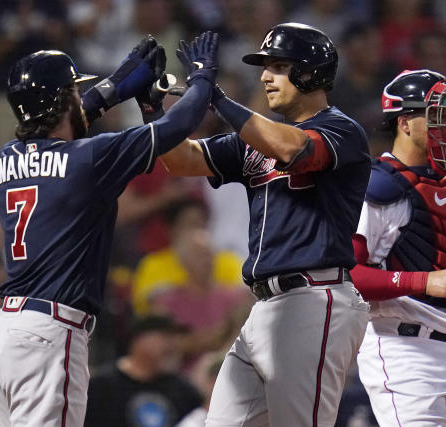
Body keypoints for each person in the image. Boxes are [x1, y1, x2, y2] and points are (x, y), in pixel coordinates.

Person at [0, 31, 220, 427]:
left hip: (5, 335)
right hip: (49, 334)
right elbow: (179, 124)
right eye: (72, 92)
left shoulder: (9, 156)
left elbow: (66, 118)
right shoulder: (89, 158)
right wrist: (203, 77)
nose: (79, 98)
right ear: (61, 101)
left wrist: (116, 85)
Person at [160, 22, 371, 426]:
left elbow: (295, 149)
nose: (264, 77)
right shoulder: (256, 138)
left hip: (315, 297)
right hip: (264, 307)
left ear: (309, 72)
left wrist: (216, 97)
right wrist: (153, 108)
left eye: (277, 66)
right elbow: (180, 160)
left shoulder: (342, 129)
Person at [348, 69, 446, 426]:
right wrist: (423, 282)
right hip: (404, 352)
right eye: (438, 117)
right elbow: (346, 275)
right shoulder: (378, 188)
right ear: (405, 123)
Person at [84, 315, 203, 427]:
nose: (173, 346)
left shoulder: (185, 393)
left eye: (174, 339)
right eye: (165, 338)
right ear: (139, 340)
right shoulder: (100, 388)